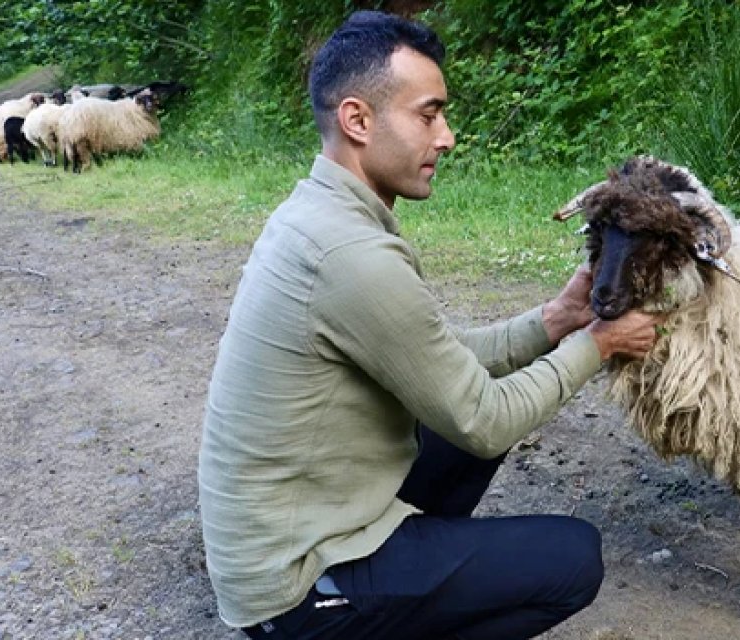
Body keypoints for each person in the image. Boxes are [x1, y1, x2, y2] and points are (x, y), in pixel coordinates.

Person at [197, 10, 661, 640]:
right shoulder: (349, 256)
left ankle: (405, 577)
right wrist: (598, 343)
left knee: (465, 428)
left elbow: (438, 358)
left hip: (294, 527)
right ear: (357, 121)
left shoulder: (321, 215)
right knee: (573, 560)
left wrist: (555, 320)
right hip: (295, 590)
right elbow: (485, 415)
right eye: (428, 114)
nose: (446, 137)